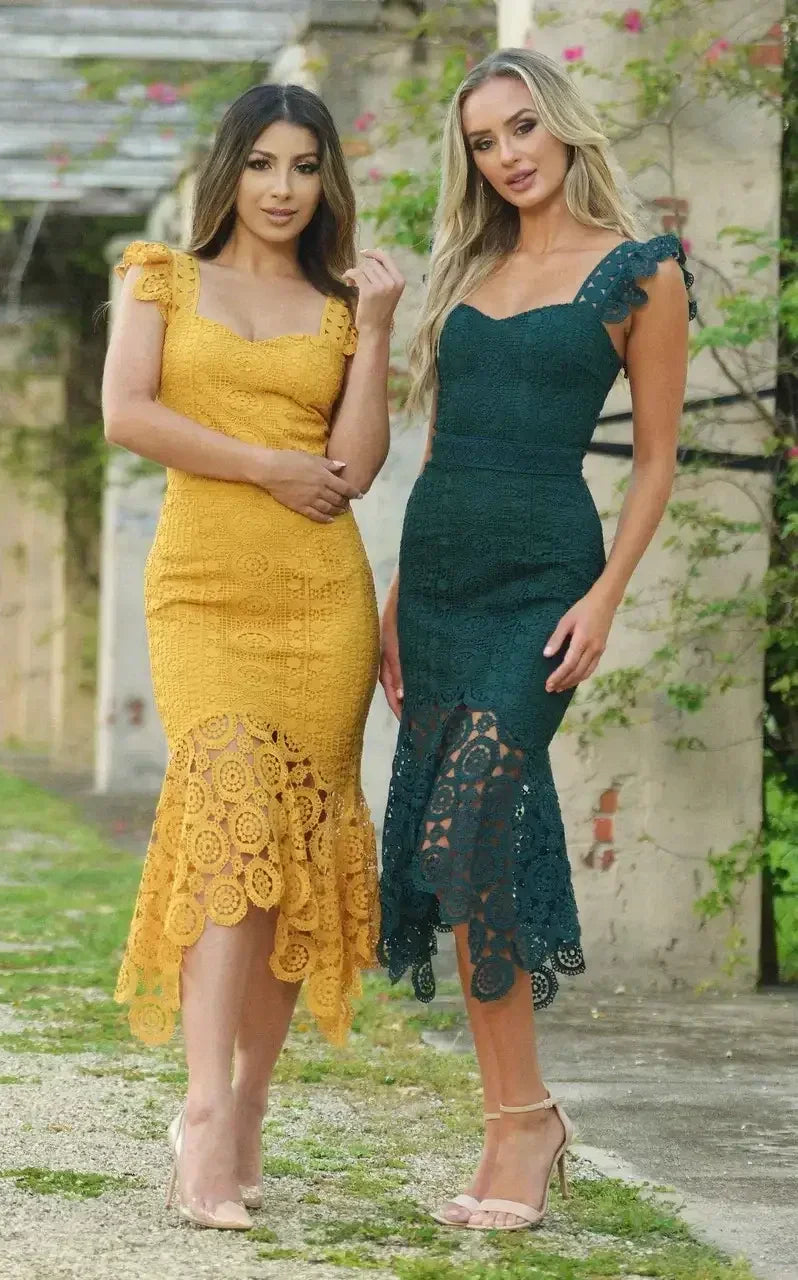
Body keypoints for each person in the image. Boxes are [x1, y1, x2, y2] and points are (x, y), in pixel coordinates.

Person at [377, 48, 694, 1232]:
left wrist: (605, 594)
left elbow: (655, 456)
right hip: (442, 571)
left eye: (521, 128)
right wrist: (396, 593)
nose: (506, 154)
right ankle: (514, 1117)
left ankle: (526, 1122)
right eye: (483, 140)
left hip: (543, 578)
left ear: (561, 127)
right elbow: (439, 442)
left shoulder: (636, 271)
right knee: (466, 852)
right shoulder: (469, 265)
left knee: (465, 833)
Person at [102, 82, 404, 1230]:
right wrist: (265, 465)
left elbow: (359, 464)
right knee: (230, 807)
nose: (283, 189)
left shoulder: (339, 305)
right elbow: (128, 411)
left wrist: (371, 334)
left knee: (296, 852)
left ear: (327, 180)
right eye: (265, 163)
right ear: (228, 168)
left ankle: (248, 1105)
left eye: (305, 167)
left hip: (319, 594)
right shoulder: (159, 277)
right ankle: (200, 1109)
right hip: (203, 588)